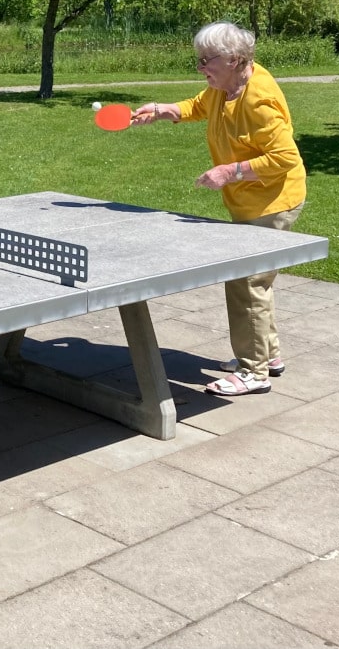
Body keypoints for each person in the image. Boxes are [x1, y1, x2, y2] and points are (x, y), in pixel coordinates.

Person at [130, 22, 306, 397]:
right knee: (254, 280)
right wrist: (161, 110)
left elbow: (284, 158)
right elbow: (199, 105)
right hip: (250, 202)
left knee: (247, 283)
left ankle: (253, 371)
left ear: (234, 59)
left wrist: (229, 172)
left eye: (206, 60)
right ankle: (268, 355)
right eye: (199, 59)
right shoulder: (225, 87)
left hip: (272, 203)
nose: (200, 67)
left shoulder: (259, 101)